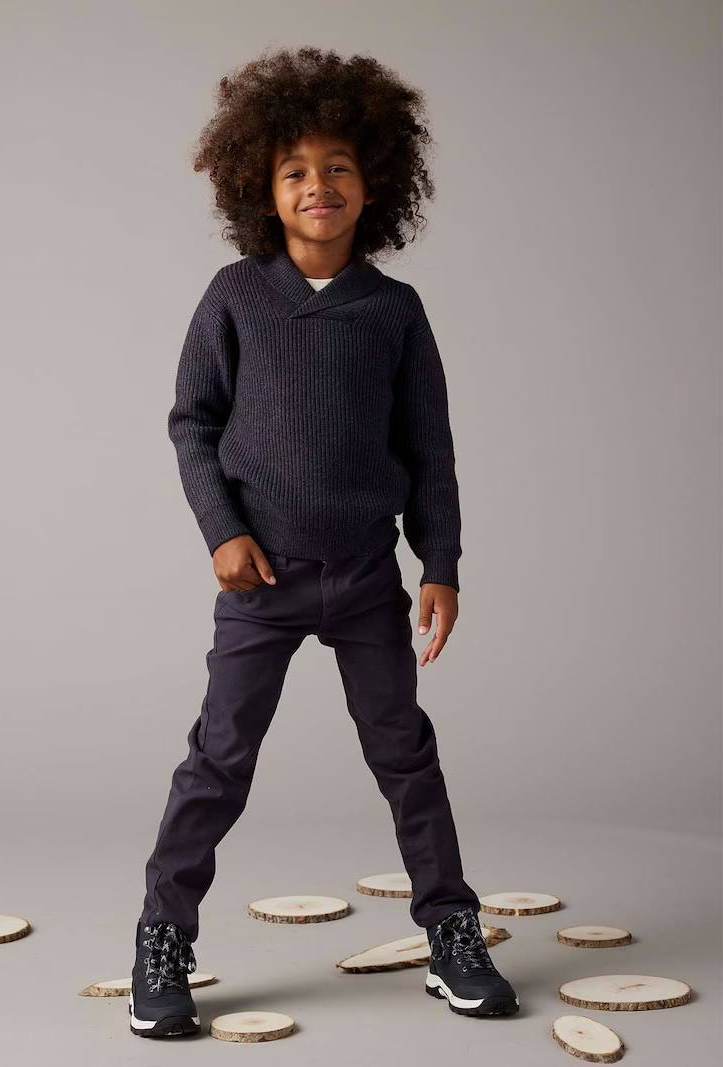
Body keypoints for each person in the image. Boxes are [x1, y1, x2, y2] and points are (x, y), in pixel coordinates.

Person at [129, 46, 519, 1039]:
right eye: (295, 170)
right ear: (262, 189)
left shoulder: (393, 312)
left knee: (405, 755)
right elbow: (192, 424)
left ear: (373, 182)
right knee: (218, 760)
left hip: (364, 579)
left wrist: (440, 564)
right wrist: (222, 532)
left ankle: (452, 932)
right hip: (259, 583)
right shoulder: (234, 295)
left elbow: (428, 451)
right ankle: (161, 939)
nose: (318, 185)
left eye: (338, 166)